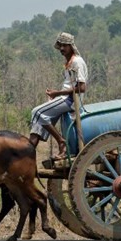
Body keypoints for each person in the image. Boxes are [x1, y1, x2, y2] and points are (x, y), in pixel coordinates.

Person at [29, 32, 88, 160]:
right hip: (64, 98)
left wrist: (57, 93)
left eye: (64, 46)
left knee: (36, 112)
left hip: (71, 101)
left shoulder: (77, 62)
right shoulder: (69, 62)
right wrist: (55, 96)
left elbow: (82, 88)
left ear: (71, 46)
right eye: (60, 46)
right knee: (38, 121)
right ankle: (28, 151)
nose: (61, 49)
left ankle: (61, 142)